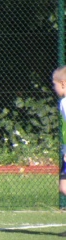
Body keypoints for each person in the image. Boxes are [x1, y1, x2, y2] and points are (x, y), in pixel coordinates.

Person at [54, 65, 66, 199]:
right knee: (63, 187)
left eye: (54, 84)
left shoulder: (64, 103)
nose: (54, 88)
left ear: (63, 84)